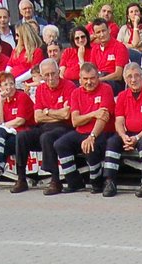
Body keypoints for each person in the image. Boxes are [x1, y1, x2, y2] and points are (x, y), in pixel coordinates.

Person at [53, 62, 115, 193]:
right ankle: (74, 182)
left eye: (92, 78)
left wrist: (92, 136)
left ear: (98, 77)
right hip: (81, 131)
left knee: (90, 145)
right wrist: (93, 113)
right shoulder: (76, 93)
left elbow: (103, 118)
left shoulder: (106, 89)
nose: (89, 82)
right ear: (80, 79)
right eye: (85, 79)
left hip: (102, 132)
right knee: (60, 144)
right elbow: (75, 121)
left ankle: (96, 181)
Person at [104, 62, 142, 194]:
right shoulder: (122, 96)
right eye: (130, 76)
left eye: (137, 75)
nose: (133, 79)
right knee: (112, 142)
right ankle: (110, 181)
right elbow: (119, 121)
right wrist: (124, 136)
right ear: (125, 79)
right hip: (129, 133)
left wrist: (137, 137)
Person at [19, 59, 72, 192]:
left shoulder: (69, 86)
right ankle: (21, 179)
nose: (50, 78)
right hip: (43, 126)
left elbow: (66, 115)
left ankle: (55, 180)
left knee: (47, 137)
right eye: (46, 75)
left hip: (64, 127)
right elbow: (37, 117)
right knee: (22, 136)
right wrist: (56, 113)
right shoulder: (40, 89)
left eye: (53, 74)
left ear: (59, 72)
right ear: (42, 76)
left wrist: (47, 111)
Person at [89, 18, 131, 85]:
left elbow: (118, 75)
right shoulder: (94, 49)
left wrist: (99, 80)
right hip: (100, 78)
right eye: (98, 32)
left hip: (115, 82)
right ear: (94, 34)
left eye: (103, 31)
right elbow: (92, 70)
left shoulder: (119, 47)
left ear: (109, 30)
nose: (102, 34)